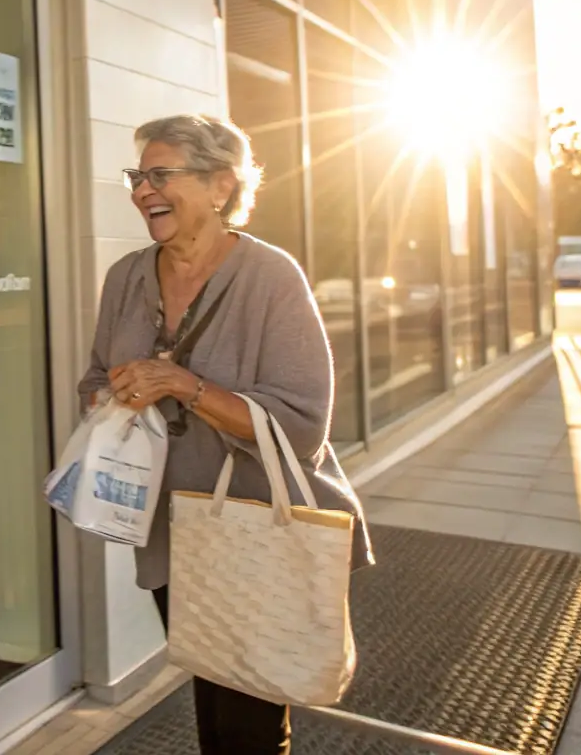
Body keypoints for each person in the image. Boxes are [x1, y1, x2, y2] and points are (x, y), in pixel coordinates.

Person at [78, 115, 373, 755]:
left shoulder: (271, 277)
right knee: (211, 691)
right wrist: (115, 393)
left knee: (247, 725)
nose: (141, 190)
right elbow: (92, 384)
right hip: (169, 533)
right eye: (138, 176)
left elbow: (301, 426)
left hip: (255, 529)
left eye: (160, 175)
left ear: (219, 185)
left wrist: (187, 386)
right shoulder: (126, 277)